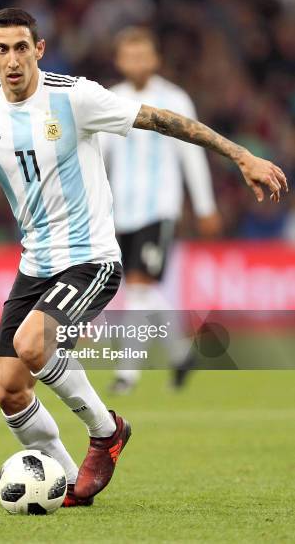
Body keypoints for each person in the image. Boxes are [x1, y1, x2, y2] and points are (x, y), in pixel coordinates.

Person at [0, 8, 288, 507]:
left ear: (40, 49)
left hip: (90, 257)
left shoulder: (75, 97)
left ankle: (106, 431)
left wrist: (241, 155)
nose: (13, 59)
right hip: (35, 265)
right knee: (9, 391)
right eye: (2, 50)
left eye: (21, 48)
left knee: (34, 343)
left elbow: (163, 121)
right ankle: (71, 483)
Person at [101, 27, 221, 394]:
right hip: (121, 211)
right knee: (136, 290)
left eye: (143, 55)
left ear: (155, 59)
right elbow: (99, 156)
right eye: (130, 55)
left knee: (138, 286)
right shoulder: (111, 100)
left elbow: (193, 153)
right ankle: (182, 352)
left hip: (159, 208)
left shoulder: (175, 99)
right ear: (119, 61)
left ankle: (128, 375)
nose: (137, 62)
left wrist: (205, 205)